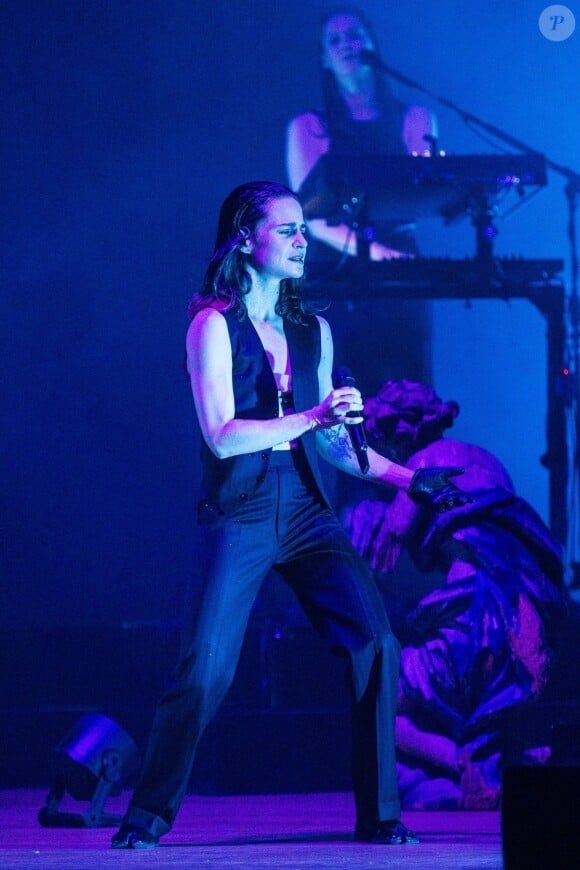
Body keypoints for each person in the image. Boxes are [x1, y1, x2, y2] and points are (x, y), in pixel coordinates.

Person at [111, 181, 468, 850]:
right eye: (289, 230)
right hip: (240, 506)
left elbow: (335, 445)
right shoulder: (212, 324)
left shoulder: (312, 331)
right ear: (247, 238)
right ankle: (145, 817)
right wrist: (309, 415)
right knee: (207, 668)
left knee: (374, 642)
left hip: (306, 508)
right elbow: (222, 434)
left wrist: (410, 479)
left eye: (305, 229)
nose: (304, 241)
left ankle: (381, 815)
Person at [344, 378, 568, 809]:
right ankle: (502, 764)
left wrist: (360, 526)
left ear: (397, 433)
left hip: (472, 620)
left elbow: (390, 542)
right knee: (480, 708)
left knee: (382, 697)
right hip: (525, 620)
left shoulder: (424, 466)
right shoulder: (487, 461)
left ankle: (461, 766)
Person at [286, 8, 438, 265]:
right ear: (325, 59)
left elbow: (420, 197)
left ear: (372, 45)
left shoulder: (416, 118)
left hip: (403, 256)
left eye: (354, 35)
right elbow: (311, 217)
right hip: (335, 266)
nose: (346, 44)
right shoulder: (307, 127)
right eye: (335, 40)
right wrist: (380, 255)